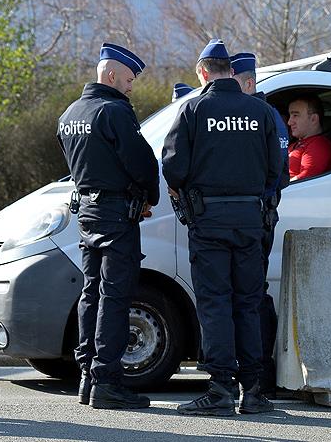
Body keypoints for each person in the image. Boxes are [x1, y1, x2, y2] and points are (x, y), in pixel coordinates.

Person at [163, 39, 281, 416]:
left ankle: (219, 390)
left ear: (202, 72)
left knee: (215, 304)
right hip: (250, 220)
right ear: (230, 71)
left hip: (209, 220)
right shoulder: (260, 112)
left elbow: (173, 167)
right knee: (248, 303)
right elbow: (277, 169)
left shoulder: (193, 109)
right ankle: (254, 391)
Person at [57, 42, 159, 410]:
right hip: (117, 214)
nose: (131, 87)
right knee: (114, 297)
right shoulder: (114, 111)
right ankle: (106, 381)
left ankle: (86, 377)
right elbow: (142, 162)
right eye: (129, 79)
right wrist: (149, 194)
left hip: (87, 212)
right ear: (112, 75)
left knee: (91, 293)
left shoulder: (70, 113)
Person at [231, 52, 289, 396]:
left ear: (249, 83)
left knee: (253, 296)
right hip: (253, 215)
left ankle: (262, 375)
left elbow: (277, 173)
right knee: (248, 294)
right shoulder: (249, 113)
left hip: (260, 216)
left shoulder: (266, 115)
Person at [287, 95, 331, 180]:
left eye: (295, 115)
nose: (289, 122)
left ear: (313, 119)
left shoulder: (319, 145)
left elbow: (304, 181)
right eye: (290, 116)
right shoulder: (297, 144)